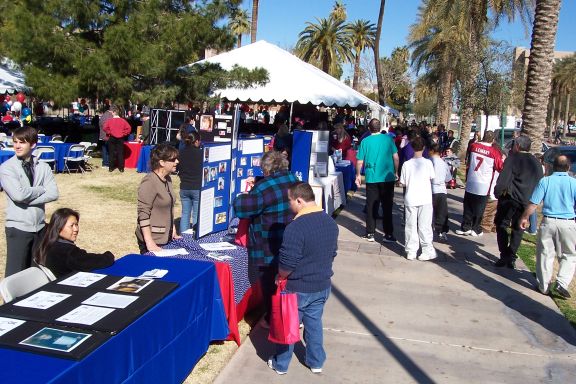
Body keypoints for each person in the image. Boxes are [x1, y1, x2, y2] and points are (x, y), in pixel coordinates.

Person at [267, 182, 338, 375]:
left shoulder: (295, 228)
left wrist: (279, 275)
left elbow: (287, 263)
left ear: (299, 200)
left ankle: (281, 364)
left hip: (297, 288)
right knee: (314, 324)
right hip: (322, 285)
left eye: (289, 200)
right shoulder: (330, 222)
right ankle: (316, 361)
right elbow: (333, 253)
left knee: (287, 326)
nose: (288, 205)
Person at [233, 150, 298, 325]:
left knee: (269, 283)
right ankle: (293, 314)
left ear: (266, 169)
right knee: (288, 281)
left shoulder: (263, 188)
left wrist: (241, 195)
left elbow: (242, 209)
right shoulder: (293, 179)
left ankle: (272, 319)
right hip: (290, 240)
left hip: (267, 244)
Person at [0, 126, 59, 276]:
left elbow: (53, 193)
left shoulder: (43, 167)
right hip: (18, 228)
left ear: (32, 144)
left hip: (39, 227)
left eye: (22, 142)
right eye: (15, 142)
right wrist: (40, 189)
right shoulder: (7, 168)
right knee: (16, 273)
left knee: (36, 273)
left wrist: (27, 199)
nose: (17, 146)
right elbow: (18, 196)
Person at [519, 155, 576, 298]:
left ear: (552, 167)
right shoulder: (573, 183)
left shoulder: (545, 181)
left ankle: (544, 286)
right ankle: (562, 283)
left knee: (545, 253)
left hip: (549, 221)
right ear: (568, 167)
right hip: (568, 222)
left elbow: (533, 203)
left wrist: (525, 217)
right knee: (569, 254)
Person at [493, 135, 543, 269]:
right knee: (518, 228)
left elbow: (504, 179)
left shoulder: (513, 159)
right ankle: (511, 255)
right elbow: (539, 183)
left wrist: (497, 192)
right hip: (527, 201)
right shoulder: (536, 163)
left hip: (510, 199)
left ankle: (505, 254)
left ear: (518, 146)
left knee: (501, 224)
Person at [34, 208, 114, 278]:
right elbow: (91, 261)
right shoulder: (66, 252)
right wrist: (108, 255)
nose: (76, 229)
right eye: (71, 226)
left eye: (76, 224)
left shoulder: (48, 243)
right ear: (59, 227)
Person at [355, 118, 399, 243]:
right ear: (380, 128)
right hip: (387, 177)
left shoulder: (365, 141)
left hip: (372, 177)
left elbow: (359, 161)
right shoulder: (389, 139)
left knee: (371, 205)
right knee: (387, 205)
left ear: (369, 128)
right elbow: (396, 157)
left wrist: (358, 174)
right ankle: (388, 234)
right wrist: (396, 172)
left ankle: (370, 233)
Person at [456, 131, 503, 237]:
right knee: (479, 208)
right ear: (493, 140)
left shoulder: (474, 146)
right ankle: (476, 228)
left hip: (471, 181)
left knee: (468, 206)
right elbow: (500, 167)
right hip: (484, 184)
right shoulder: (494, 152)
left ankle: (465, 227)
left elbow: (468, 156)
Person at [135, 143, 181, 253]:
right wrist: (149, 242)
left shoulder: (168, 179)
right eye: (173, 159)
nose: (177, 162)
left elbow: (168, 207)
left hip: (167, 238)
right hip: (154, 241)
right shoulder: (149, 181)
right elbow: (143, 213)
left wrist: (173, 229)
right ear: (162, 162)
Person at [399, 137, 437, 260]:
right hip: (425, 198)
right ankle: (427, 249)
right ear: (424, 148)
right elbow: (432, 177)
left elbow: (403, 182)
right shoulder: (428, 163)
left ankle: (411, 250)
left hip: (411, 197)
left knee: (410, 225)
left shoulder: (406, 164)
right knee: (424, 225)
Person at [178, 131, 203, 234]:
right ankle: (195, 235)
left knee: (185, 213)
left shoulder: (180, 152)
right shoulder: (201, 154)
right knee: (196, 214)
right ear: (196, 141)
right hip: (197, 187)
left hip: (184, 187)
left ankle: (183, 236)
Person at [429, 143, 452, 241]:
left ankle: (428, 229)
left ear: (432, 151)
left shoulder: (428, 162)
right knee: (441, 212)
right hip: (441, 191)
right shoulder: (444, 163)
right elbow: (448, 178)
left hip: (430, 190)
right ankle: (441, 231)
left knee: (429, 212)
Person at [103, 105, 131, 172]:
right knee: (120, 153)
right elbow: (129, 128)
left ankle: (111, 168)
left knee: (111, 153)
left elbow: (104, 128)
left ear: (114, 112)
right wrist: (123, 133)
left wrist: (109, 132)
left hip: (112, 137)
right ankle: (121, 168)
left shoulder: (110, 121)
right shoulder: (123, 121)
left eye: (112, 112)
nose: (111, 113)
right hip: (120, 138)